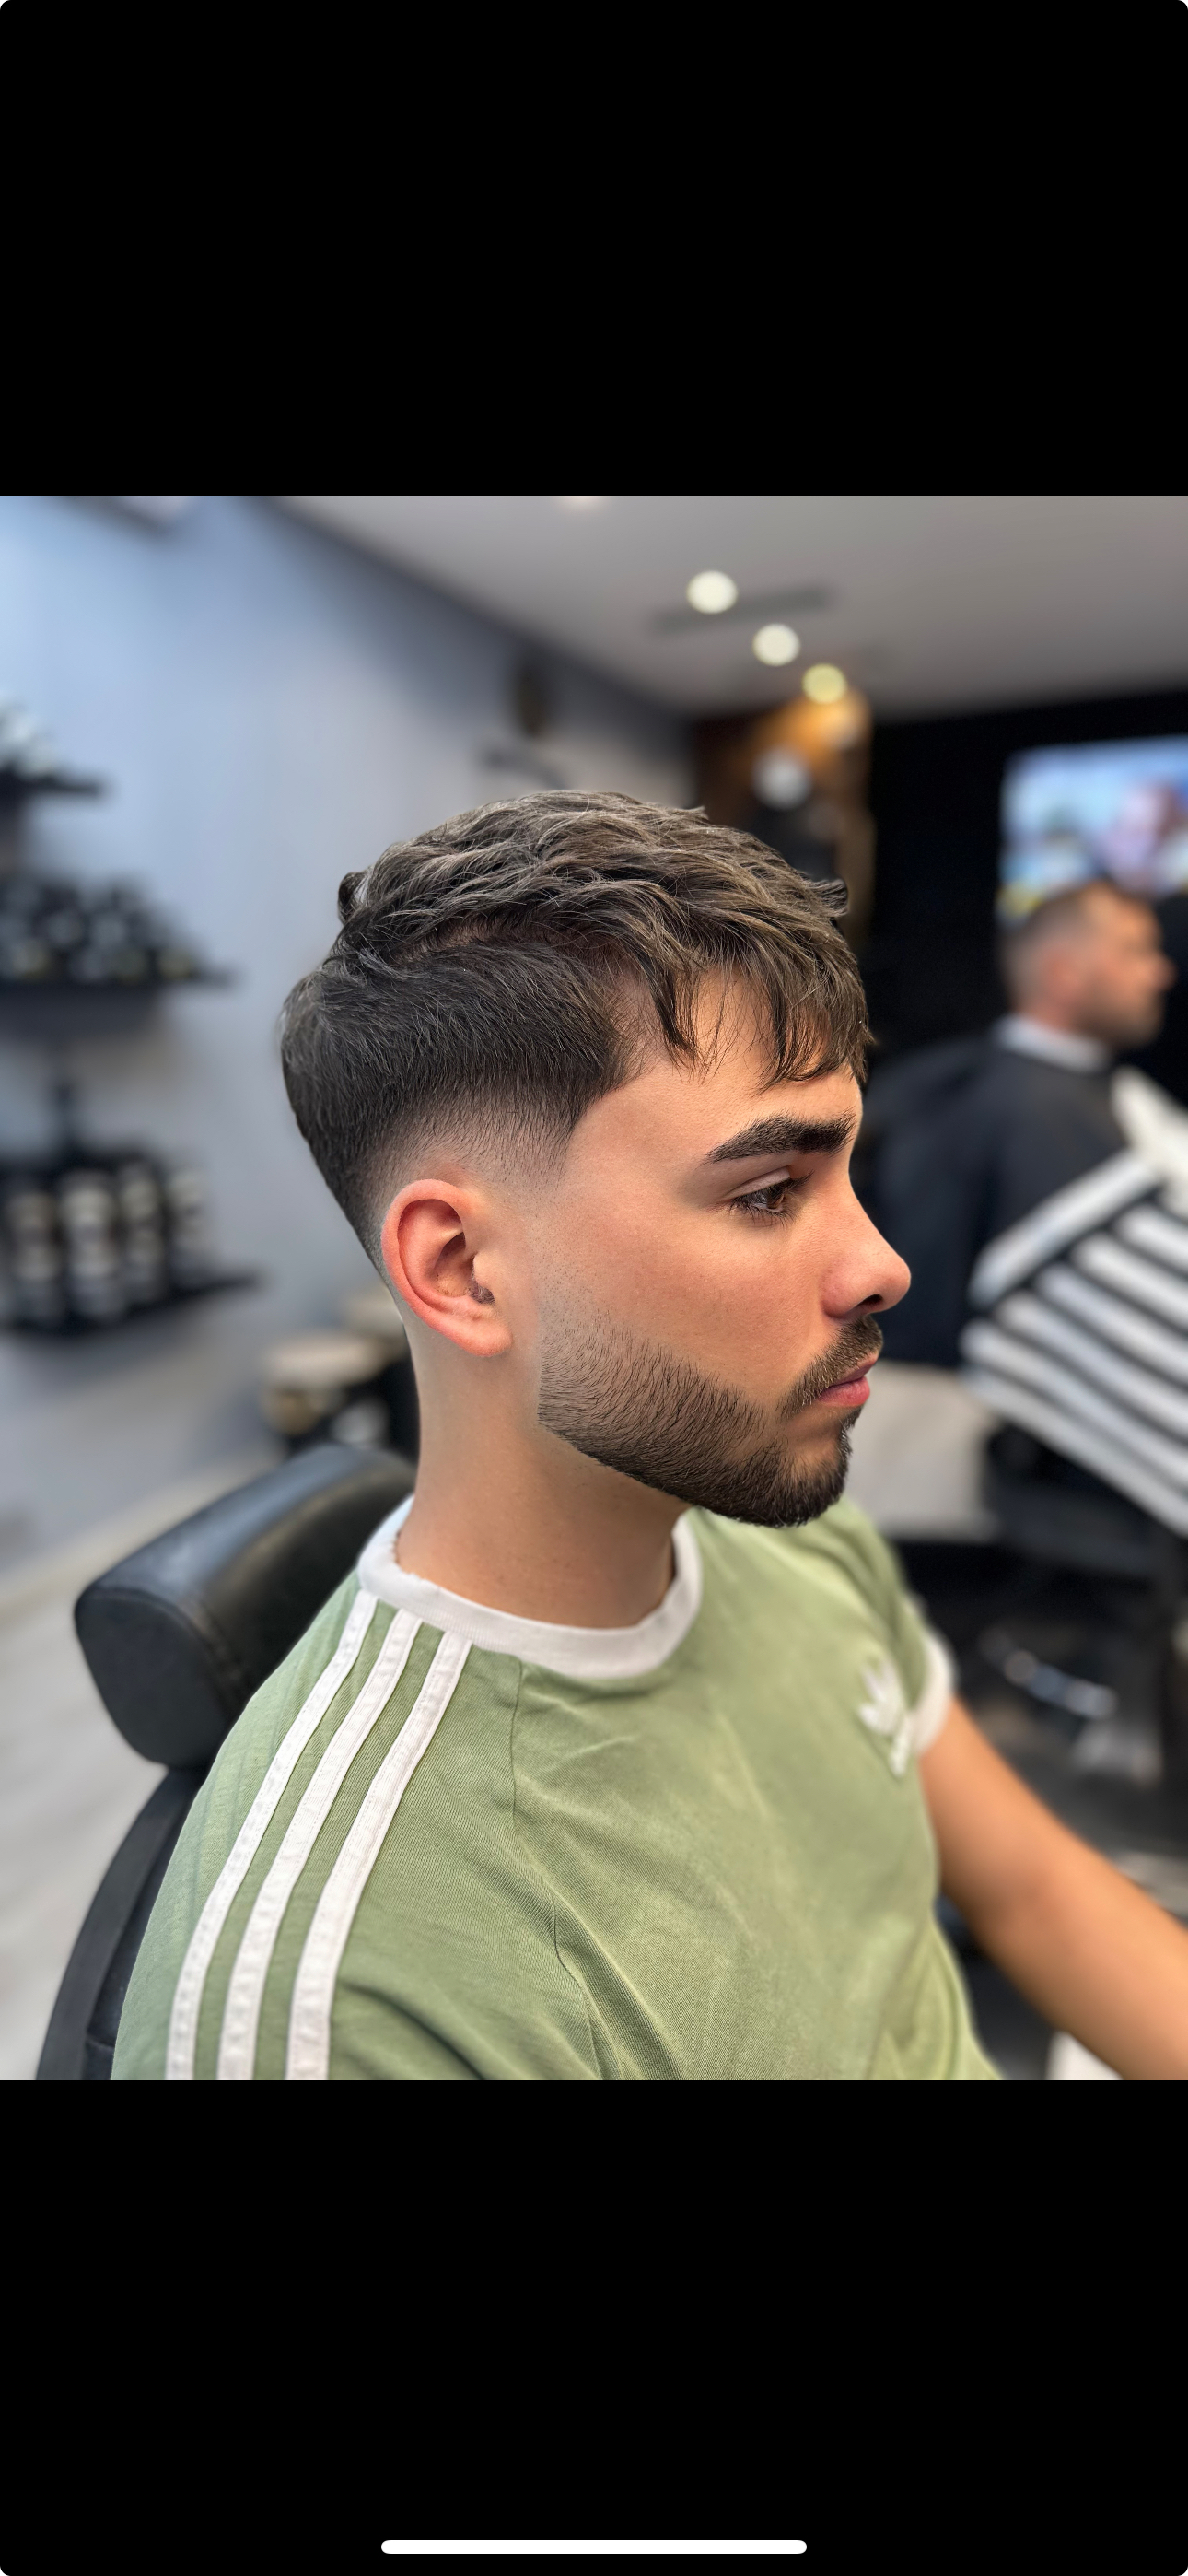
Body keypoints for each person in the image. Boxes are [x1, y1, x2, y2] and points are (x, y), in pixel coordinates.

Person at [113, 797, 1188, 2079]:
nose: (882, 1265)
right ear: (460, 1269)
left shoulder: (788, 1535)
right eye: (769, 1192)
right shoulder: (347, 1998)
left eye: (843, 1173)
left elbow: (1033, 1892)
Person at [860, 878, 1176, 1365]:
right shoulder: (982, 1105)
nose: (1161, 973)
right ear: (1063, 972)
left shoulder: (916, 1083)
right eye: (1136, 951)